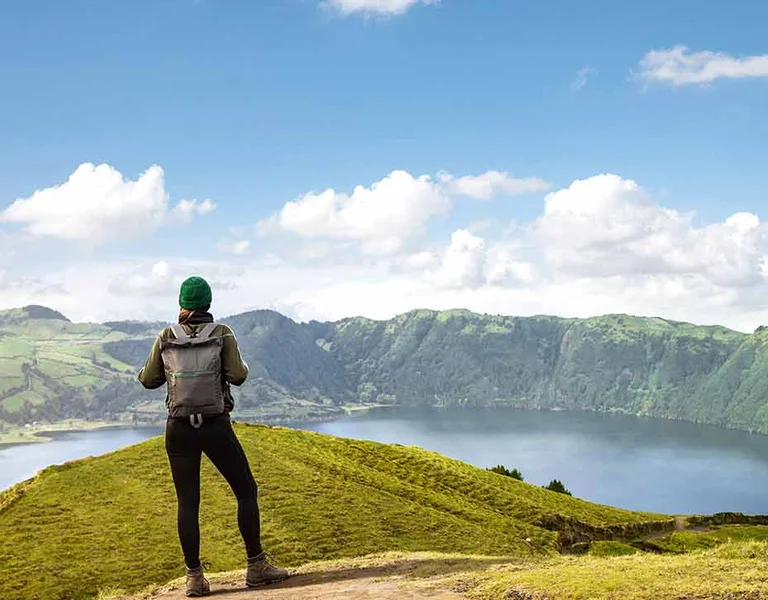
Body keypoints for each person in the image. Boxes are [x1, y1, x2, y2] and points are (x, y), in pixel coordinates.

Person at [138, 276, 288, 597]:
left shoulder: (166, 336)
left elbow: (148, 380)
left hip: (178, 429)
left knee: (188, 502)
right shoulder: (222, 334)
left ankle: (194, 578)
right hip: (215, 425)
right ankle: (256, 566)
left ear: (182, 305)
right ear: (207, 303)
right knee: (246, 490)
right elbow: (238, 375)